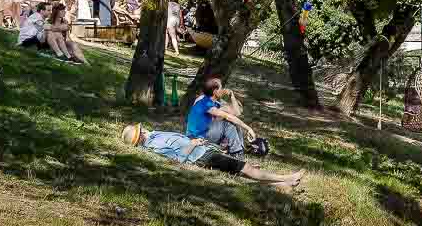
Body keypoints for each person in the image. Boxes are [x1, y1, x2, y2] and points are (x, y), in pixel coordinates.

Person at [119, 124, 303, 191]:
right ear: (140, 136)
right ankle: (287, 178)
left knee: (242, 173)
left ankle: (283, 184)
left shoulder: (154, 137)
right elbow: (178, 159)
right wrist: (193, 144)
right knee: (247, 169)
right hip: (202, 156)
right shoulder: (155, 145)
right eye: (140, 130)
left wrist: (195, 141)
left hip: (204, 152)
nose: (144, 129)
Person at [187, 77, 258, 158]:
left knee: (235, 122)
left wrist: (232, 95)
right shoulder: (204, 102)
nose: (223, 90)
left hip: (205, 134)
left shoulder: (215, 103)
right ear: (215, 91)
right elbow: (228, 116)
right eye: (221, 88)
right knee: (227, 122)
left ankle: (239, 150)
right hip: (196, 138)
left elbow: (236, 113)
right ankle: (236, 153)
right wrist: (249, 128)